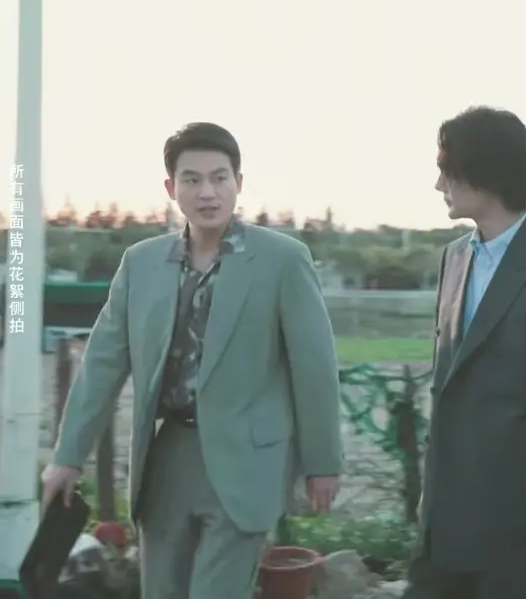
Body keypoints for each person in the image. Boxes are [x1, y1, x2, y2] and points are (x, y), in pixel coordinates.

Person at [42, 122, 344, 599]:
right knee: (162, 589)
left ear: (238, 183)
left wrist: (323, 462)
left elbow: (315, 367)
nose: (207, 192)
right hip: (166, 456)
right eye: (192, 179)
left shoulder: (282, 260)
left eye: (219, 178)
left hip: (246, 460)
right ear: (172, 188)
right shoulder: (141, 263)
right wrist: (67, 457)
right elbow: (102, 364)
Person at [403, 106, 526, 599]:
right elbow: (447, 387)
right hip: (447, 521)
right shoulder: (454, 258)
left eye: (446, 170)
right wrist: (431, 495)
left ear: (483, 171)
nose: (438, 184)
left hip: (517, 525)